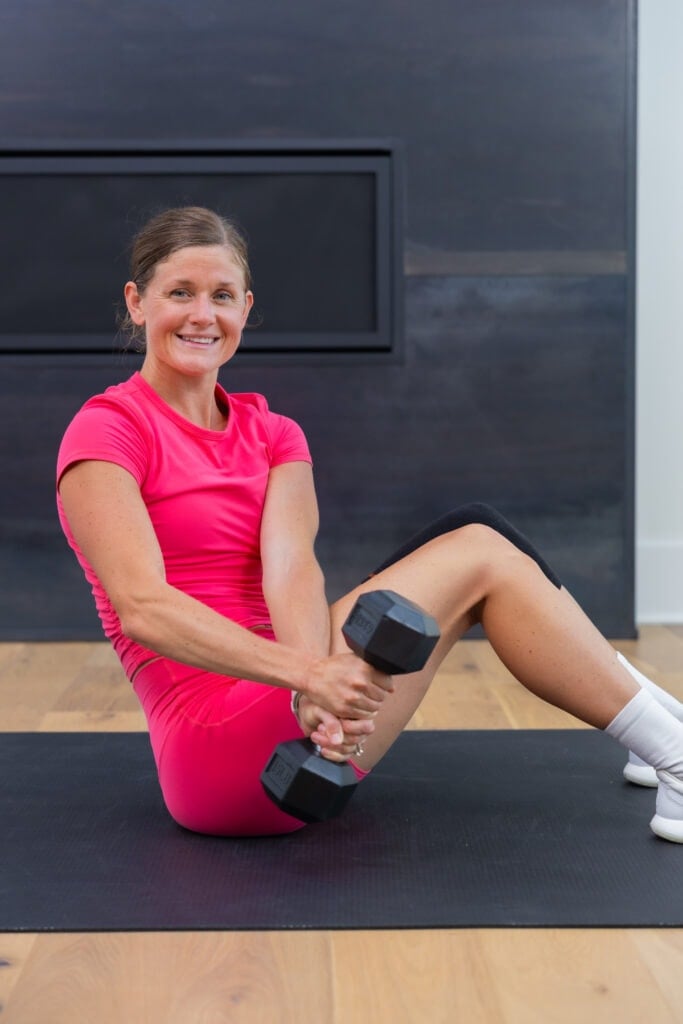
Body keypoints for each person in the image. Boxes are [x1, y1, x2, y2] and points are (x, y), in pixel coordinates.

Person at [57, 205, 683, 841]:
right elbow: (143, 607)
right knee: (481, 553)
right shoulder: (109, 430)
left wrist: (313, 697)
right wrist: (307, 676)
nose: (202, 315)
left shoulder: (273, 433)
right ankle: (673, 747)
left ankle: (661, 731)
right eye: (180, 293)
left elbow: (292, 570)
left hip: (303, 724)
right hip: (216, 753)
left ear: (246, 307)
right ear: (137, 303)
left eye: (221, 295)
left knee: (478, 532)